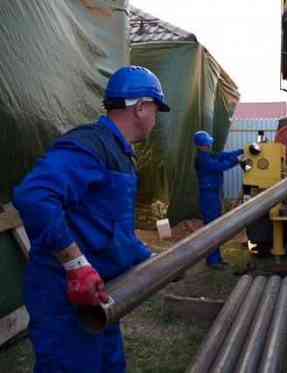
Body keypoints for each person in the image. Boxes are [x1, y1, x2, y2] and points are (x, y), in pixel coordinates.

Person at [13, 65, 170, 373]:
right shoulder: (90, 145)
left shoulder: (119, 153)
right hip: (64, 298)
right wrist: (75, 265)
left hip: (100, 297)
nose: (156, 117)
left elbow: (113, 230)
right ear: (140, 107)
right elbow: (34, 196)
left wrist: (155, 260)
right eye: (155, 108)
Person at [193, 130, 244, 269]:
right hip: (208, 196)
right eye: (208, 143)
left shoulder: (207, 155)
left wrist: (241, 151)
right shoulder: (203, 159)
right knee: (212, 229)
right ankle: (213, 261)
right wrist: (237, 160)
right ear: (203, 145)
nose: (210, 145)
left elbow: (223, 155)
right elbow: (219, 166)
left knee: (216, 228)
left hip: (214, 194)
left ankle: (217, 258)